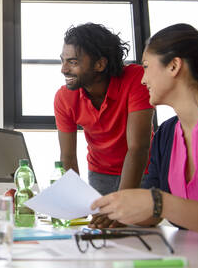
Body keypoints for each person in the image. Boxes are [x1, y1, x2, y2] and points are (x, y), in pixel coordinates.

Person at [91, 23, 198, 236]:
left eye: (146, 66)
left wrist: (161, 203)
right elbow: (153, 213)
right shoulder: (166, 134)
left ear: (174, 66)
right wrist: (117, 208)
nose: (143, 79)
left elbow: (159, 204)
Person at [54, 23, 154, 228]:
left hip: (141, 169)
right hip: (100, 173)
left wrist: (122, 206)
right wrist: (73, 204)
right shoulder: (64, 97)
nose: (64, 69)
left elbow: (138, 148)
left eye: (72, 62)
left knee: (137, 226)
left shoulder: (135, 78)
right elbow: (68, 156)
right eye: (63, 61)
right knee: (103, 230)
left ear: (99, 64)